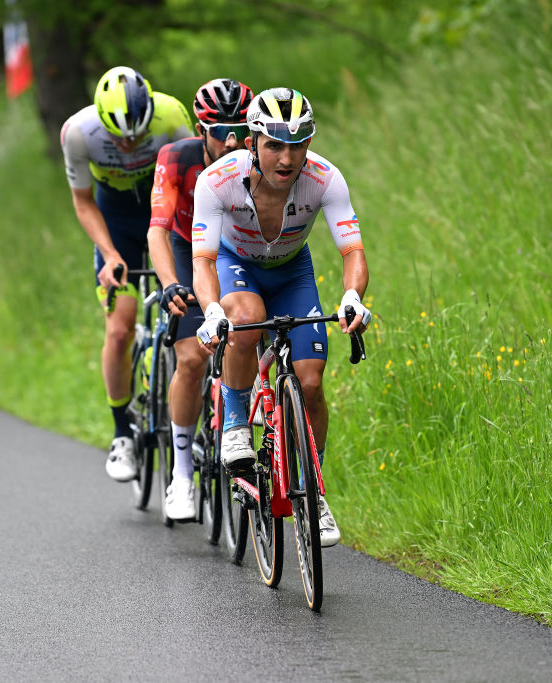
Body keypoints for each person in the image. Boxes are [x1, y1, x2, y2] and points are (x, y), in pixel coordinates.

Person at [191, 87, 372, 547]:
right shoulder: (217, 180)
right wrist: (212, 311)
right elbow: (204, 262)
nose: (287, 158)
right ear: (252, 142)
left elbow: (352, 250)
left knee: (310, 382)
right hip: (236, 264)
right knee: (246, 318)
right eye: (274, 144)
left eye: (297, 144)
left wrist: (351, 295)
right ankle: (235, 421)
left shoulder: (325, 178)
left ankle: (311, 492)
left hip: (293, 271)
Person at [60, 66, 193, 481]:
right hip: (115, 217)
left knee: (188, 312)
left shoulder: (171, 116)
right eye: (119, 137)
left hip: (163, 212)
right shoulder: (77, 133)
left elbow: (192, 182)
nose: (129, 143)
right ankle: (121, 434)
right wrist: (109, 252)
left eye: (136, 134)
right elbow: (83, 202)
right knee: (119, 329)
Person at [147, 78, 254, 520]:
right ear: (199, 129)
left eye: (240, 130)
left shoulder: (260, 159)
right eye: (218, 133)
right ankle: (182, 473)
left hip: (231, 249)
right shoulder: (175, 158)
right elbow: (157, 228)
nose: (231, 143)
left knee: (250, 331)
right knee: (191, 358)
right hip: (185, 245)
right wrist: (171, 283)